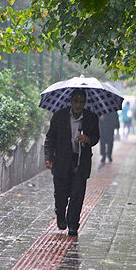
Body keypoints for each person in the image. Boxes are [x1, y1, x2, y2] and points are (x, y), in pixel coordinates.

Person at [44, 89, 100, 237]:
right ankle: (61, 214)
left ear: (85, 103)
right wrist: (48, 157)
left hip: (81, 162)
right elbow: (50, 138)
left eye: (81, 102)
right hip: (61, 161)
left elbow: (96, 137)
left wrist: (88, 139)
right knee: (61, 195)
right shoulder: (59, 117)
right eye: (75, 101)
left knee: (77, 195)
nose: (78, 105)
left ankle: (73, 224)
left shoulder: (91, 118)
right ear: (70, 101)